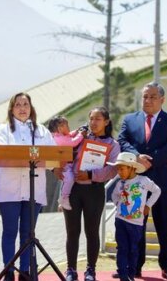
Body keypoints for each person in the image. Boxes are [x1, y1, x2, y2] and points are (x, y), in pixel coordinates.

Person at [117, 82, 167, 280]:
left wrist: (150, 160)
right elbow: (122, 140)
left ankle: (166, 265)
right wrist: (137, 157)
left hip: (163, 181)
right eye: (145, 96)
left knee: (164, 225)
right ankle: (134, 265)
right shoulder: (130, 119)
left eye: (153, 97)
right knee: (135, 225)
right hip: (135, 181)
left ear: (162, 99)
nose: (148, 100)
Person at [0, 92, 56, 281]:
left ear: (31, 107)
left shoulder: (42, 131)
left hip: (33, 188)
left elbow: (53, 158)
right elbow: (0, 153)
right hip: (9, 189)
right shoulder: (2, 129)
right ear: (12, 108)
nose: (22, 108)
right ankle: (9, 271)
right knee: (10, 231)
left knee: (28, 233)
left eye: (26, 104)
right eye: (18, 104)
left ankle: (25, 271)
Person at [61, 107, 120, 281]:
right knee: (72, 231)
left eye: (98, 119)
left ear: (107, 122)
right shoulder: (79, 139)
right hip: (73, 189)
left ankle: (90, 270)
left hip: (94, 190)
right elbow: (64, 154)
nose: (93, 123)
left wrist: (91, 175)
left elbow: (113, 169)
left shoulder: (112, 144)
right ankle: (71, 269)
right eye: (91, 118)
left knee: (91, 231)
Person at [109, 152, 161, 281]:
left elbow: (157, 190)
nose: (119, 172)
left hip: (136, 224)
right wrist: (119, 205)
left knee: (133, 249)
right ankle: (122, 276)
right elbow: (114, 195)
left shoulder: (143, 180)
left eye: (122, 169)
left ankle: (131, 275)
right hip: (120, 221)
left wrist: (148, 205)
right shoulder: (120, 183)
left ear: (132, 167)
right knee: (122, 248)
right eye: (118, 169)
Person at [47, 115, 87, 211]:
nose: (69, 127)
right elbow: (73, 142)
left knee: (67, 179)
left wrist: (76, 131)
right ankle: (64, 198)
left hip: (66, 164)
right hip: (64, 166)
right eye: (67, 125)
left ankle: (63, 197)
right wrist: (81, 134)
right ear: (60, 129)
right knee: (69, 179)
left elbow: (69, 135)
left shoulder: (59, 136)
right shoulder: (60, 139)